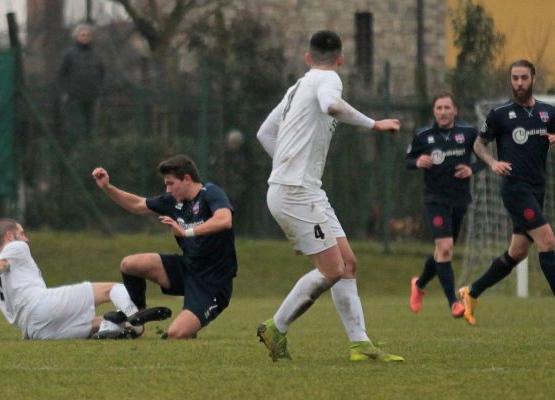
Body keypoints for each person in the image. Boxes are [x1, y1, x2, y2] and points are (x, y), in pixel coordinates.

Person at [255, 30, 403, 362]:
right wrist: (374, 124)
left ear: (308, 58)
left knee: (348, 263)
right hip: (296, 191)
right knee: (332, 269)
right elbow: (332, 105)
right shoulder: (329, 79)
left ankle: (360, 344)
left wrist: (286, 164)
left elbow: (264, 133)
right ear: (341, 59)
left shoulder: (297, 86)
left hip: (303, 189)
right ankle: (275, 327)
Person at [92, 155, 238, 339]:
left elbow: (224, 220)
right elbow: (137, 204)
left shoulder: (211, 192)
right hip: (187, 268)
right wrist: (107, 187)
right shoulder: (172, 200)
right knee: (129, 264)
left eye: (171, 183)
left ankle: (190, 325)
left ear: (187, 179)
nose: (167, 189)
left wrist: (187, 232)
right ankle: (136, 314)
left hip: (212, 283)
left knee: (175, 335)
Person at [0, 218, 168, 340]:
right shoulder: (16, 248)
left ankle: (114, 327)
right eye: (22, 233)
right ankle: (134, 315)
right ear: (10, 236)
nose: (26, 238)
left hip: (35, 332)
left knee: (95, 324)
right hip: (42, 305)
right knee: (112, 288)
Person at [459, 59, 555, 325]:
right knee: (548, 241)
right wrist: (492, 162)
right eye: (515, 78)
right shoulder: (500, 114)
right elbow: (478, 144)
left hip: (537, 190)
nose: (519, 83)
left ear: (533, 78)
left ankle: (472, 291)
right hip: (515, 189)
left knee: (518, 252)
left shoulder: (548, 113)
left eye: (524, 78)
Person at [406, 92, 484, 318]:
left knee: (443, 251)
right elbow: (408, 160)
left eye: (446, 107)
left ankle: (419, 284)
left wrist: (472, 169)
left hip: (460, 199)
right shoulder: (423, 135)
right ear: (434, 111)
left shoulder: (468, 133)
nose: (442, 112)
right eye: (438, 108)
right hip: (435, 200)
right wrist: (417, 161)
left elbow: (485, 156)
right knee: (446, 248)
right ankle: (453, 303)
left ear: (455, 110)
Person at [58, 23, 105, 148]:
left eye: (88, 35)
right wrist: (65, 92)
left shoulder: (97, 54)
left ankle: (91, 151)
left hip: (93, 95)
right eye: (82, 35)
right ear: (77, 36)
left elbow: (102, 73)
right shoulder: (69, 54)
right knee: (76, 126)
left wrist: (100, 89)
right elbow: (62, 74)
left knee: (92, 126)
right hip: (75, 96)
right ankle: (75, 152)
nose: (85, 37)